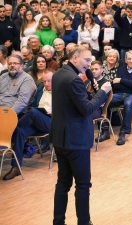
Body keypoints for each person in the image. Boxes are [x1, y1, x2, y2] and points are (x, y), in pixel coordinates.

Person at [50, 45, 111, 225]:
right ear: (74, 58)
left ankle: (58, 221)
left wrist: (88, 92)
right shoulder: (74, 80)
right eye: (86, 60)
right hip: (75, 140)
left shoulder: (58, 74)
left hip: (60, 138)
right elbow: (87, 109)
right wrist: (102, 92)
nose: (89, 64)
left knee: (62, 184)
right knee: (83, 185)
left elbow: (72, 102)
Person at [2, 69, 53, 180]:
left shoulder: (61, 92)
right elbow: (33, 105)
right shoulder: (40, 89)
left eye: (49, 81)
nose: (47, 84)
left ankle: (8, 129)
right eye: (44, 81)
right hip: (36, 120)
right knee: (20, 131)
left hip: (51, 122)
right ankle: (16, 167)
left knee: (33, 113)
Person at [108, 50, 132, 146]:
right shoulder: (121, 70)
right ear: (125, 60)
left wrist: (121, 80)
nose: (131, 61)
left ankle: (123, 132)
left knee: (128, 104)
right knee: (106, 101)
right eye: (129, 59)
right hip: (119, 94)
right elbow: (116, 86)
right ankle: (104, 129)